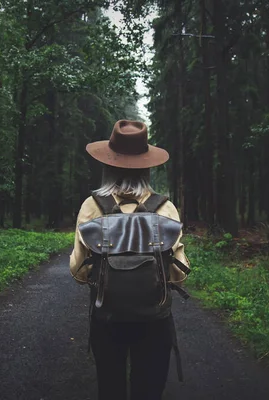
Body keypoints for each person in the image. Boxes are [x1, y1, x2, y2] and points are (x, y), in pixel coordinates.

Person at [69, 120, 190, 400]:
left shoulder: (92, 206)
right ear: (146, 166)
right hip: (155, 319)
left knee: (110, 388)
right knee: (148, 390)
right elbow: (179, 274)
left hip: (107, 317)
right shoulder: (165, 207)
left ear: (107, 164)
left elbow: (78, 272)